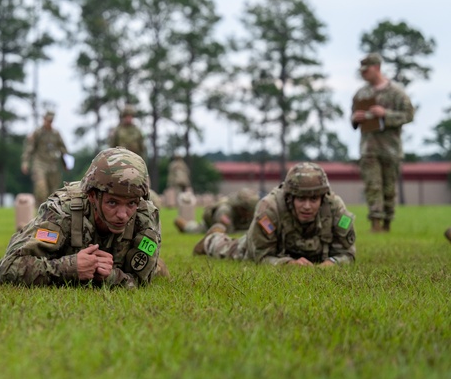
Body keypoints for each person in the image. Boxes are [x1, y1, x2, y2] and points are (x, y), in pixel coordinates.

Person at [0, 147, 162, 288]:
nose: (122, 214)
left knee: (160, 271)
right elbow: (6, 269)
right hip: (60, 252)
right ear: (92, 196)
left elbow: (141, 281)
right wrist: (70, 267)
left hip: (121, 263)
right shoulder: (63, 212)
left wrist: (110, 276)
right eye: (112, 203)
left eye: (131, 204)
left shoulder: (145, 217)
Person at [192, 163, 356, 266]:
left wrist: (333, 262)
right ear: (290, 198)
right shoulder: (269, 209)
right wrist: (287, 264)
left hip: (311, 252)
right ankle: (211, 240)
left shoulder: (336, 210)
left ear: (323, 198)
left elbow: (348, 253)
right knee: (234, 251)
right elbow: (261, 256)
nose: (307, 206)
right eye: (301, 199)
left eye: (313, 199)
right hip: (270, 248)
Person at [351, 52, 415, 232]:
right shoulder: (361, 94)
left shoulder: (396, 93)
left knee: (388, 188)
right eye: (361, 71)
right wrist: (356, 118)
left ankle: (387, 223)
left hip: (390, 149)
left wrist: (385, 114)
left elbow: (408, 115)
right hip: (368, 149)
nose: (363, 74)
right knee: (372, 187)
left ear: (377, 68)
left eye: (367, 70)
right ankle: (375, 224)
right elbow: (353, 120)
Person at [21, 110, 69, 208]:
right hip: (40, 163)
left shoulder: (56, 134)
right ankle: (39, 211)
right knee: (41, 188)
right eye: (48, 120)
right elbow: (29, 148)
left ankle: (51, 214)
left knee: (53, 192)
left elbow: (63, 150)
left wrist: (66, 164)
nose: (49, 123)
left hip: (53, 165)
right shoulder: (38, 133)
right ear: (44, 119)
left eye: (51, 121)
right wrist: (25, 162)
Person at [175, 187, 259, 234]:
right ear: (240, 208)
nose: (249, 213)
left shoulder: (251, 211)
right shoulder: (225, 211)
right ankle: (184, 225)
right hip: (211, 225)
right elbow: (228, 232)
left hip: (238, 225)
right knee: (195, 229)